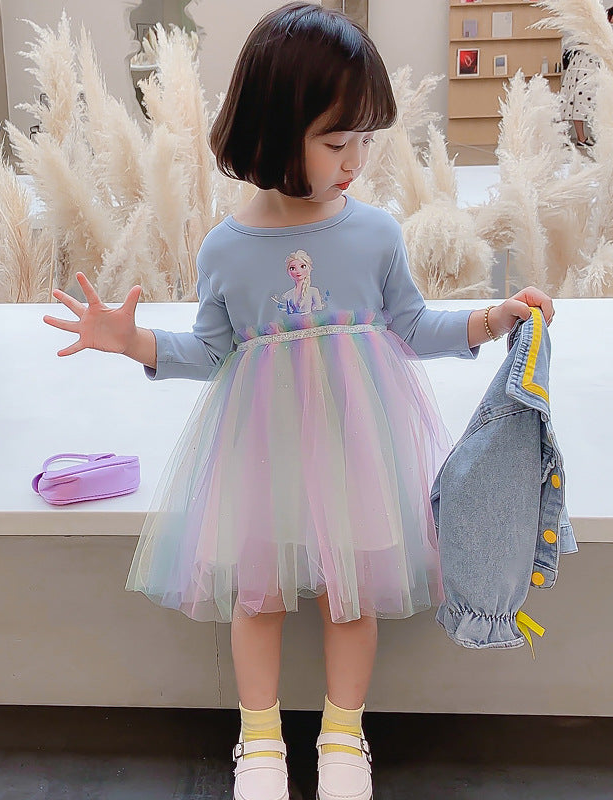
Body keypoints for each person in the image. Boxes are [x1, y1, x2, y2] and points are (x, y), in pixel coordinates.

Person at [43, 4, 554, 799]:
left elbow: (409, 326)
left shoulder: (376, 234)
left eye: (364, 140)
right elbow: (212, 352)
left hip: (358, 448)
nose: (356, 161)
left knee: (353, 598)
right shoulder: (228, 248)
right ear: (275, 131)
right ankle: (260, 741)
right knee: (260, 594)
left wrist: (491, 320)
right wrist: (133, 341)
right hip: (266, 451)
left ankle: (344, 735)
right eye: (336, 141)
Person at [560, 0, 613, 148]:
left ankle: (580, 137)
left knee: (579, 100)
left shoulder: (598, 22)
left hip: (584, 64)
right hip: (585, 65)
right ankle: (581, 137)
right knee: (580, 100)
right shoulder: (599, 24)